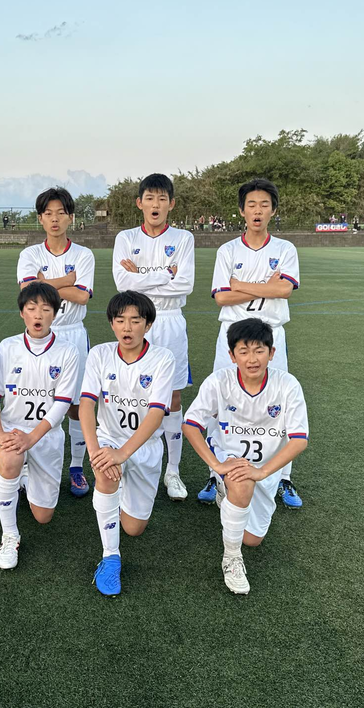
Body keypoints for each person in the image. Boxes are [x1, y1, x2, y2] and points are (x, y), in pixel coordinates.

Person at [182, 318, 309, 594]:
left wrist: (263, 471)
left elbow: (299, 440)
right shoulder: (220, 381)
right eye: (244, 351)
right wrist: (216, 464)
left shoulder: (287, 385)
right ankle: (231, 558)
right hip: (229, 458)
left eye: (259, 350)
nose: (252, 359)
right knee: (241, 482)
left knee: (253, 539)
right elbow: (190, 425)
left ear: (271, 353)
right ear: (232, 355)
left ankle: (226, 495)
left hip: (266, 467)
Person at [204, 178, 304, 510]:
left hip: (271, 335)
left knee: (279, 404)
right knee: (220, 402)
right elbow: (221, 297)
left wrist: (240, 285)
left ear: (273, 210)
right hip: (232, 335)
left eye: (264, 205)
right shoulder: (228, 250)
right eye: (251, 205)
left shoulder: (285, 249)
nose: (257, 211)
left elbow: (285, 290)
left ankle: (283, 477)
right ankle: (216, 474)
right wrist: (265, 286)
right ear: (241, 210)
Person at [80, 291, 175, 596]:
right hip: (109, 439)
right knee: (105, 473)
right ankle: (110, 557)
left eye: (135, 320)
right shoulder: (100, 354)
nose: (127, 327)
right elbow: (86, 404)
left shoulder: (163, 358)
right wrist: (96, 453)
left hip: (144, 447)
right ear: (111, 323)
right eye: (120, 320)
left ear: (148, 325)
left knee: (134, 529)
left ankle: (115, 500)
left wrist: (123, 454)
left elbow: (156, 413)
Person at [0, 282, 81, 569]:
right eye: (31, 308)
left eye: (46, 309)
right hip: (12, 430)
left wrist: (32, 438)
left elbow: (62, 403)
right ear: (22, 313)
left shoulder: (68, 352)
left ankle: (24, 476)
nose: (38, 315)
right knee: (10, 457)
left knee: (43, 516)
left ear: (55, 314)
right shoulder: (7, 347)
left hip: (46, 435)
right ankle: (10, 535)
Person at [111, 173, 195, 501]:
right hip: (135, 320)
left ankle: (172, 471)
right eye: (150, 198)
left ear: (171, 204)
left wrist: (140, 277)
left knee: (172, 398)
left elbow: (185, 284)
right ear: (139, 203)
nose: (155, 204)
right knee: (130, 391)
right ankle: (126, 461)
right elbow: (122, 284)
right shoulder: (126, 237)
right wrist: (165, 274)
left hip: (170, 321)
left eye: (162, 198)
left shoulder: (183, 238)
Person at [18, 187, 95, 497]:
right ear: (40, 218)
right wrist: (67, 281)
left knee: (76, 405)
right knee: (34, 398)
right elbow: (28, 292)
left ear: (70, 217)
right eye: (48, 213)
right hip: (38, 334)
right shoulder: (29, 254)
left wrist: (44, 284)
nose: (54, 219)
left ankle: (76, 467)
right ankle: (26, 465)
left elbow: (83, 296)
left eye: (60, 213)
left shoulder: (84, 254)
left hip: (73, 333)